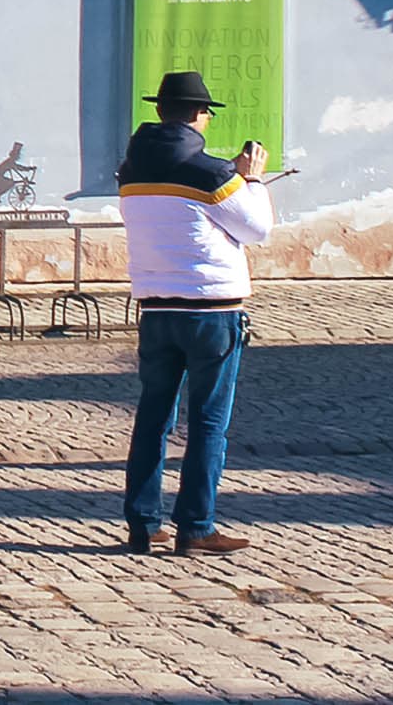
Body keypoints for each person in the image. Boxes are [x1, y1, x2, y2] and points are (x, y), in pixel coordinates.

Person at [117, 69, 273, 555]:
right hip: (211, 311)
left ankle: (143, 523)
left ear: (160, 112)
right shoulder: (212, 173)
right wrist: (252, 180)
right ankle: (196, 524)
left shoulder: (132, 170)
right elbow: (256, 229)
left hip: (156, 308)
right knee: (207, 421)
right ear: (198, 116)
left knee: (152, 418)